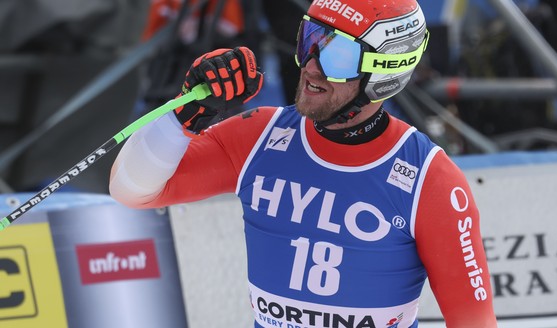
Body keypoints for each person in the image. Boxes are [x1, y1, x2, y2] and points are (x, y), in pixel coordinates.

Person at [109, 0, 498, 326]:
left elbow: (474, 321)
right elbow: (132, 190)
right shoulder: (258, 136)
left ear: (385, 72)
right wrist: (185, 115)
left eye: (337, 55)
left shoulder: (430, 180)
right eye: (309, 40)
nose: (311, 66)